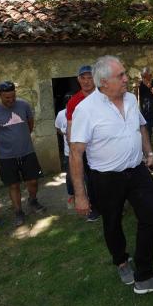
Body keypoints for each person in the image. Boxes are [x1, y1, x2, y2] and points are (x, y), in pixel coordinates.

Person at [70, 55, 153, 294]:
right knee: (112, 221)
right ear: (104, 82)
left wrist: (148, 152)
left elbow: (140, 126)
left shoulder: (129, 98)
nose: (127, 79)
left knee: (151, 214)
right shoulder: (85, 110)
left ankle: (145, 275)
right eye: (121, 76)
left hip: (136, 170)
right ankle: (121, 261)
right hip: (106, 178)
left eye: (125, 74)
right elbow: (76, 154)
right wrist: (80, 195)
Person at [0, 81, 45, 227]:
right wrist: (6, 143)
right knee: (13, 185)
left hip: (27, 151)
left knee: (33, 181)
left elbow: (30, 124)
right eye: (7, 98)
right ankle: (18, 212)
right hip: (7, 156)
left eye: (13, 96)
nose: (11, 100)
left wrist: (22, 138)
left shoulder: (24, 105)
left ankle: (32, 200)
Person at [66, 65, 100, 222]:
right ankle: (95, 207)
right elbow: (70, 127)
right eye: (83, 78)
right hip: (85, 147)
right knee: (91, 178)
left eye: (90, 77)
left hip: (103, 144)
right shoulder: (74, 101)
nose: (86, 81)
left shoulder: (104, 95)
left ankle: (114, 203)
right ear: (78, 80)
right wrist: (73, 148)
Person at [138, 67, 153, 158]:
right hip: (145, 114)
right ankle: (148, 154)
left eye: (145, 76)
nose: (143, 78)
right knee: (146, 135)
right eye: (142, 76)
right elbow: (138, 98)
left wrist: (151, 88)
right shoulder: (140, 85)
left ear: (150, 75)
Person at [54, 106, 75, 209]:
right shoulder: (61, 114)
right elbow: (57, 128)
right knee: (70, 176)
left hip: (85, 151)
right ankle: (71, 196)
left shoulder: (83, 111)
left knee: (87, 176)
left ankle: (90, 198)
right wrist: (65, 134)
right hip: (68, 152)